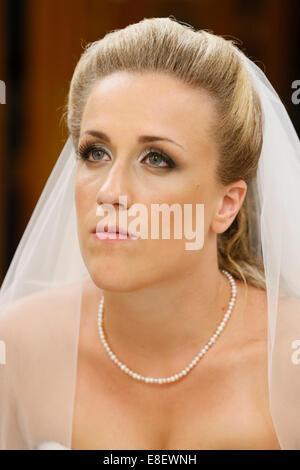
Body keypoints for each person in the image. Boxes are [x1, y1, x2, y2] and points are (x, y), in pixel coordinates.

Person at [0, 16, 300, 450]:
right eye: (95, 152)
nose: (110, 192)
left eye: (157, 159)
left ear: (227, 203)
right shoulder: (16, 347)